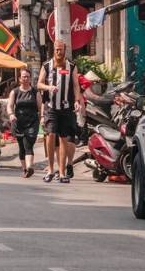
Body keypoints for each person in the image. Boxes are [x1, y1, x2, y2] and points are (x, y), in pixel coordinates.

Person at [37, 40, 86, 184]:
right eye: (57, 50)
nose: (59, 52)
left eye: (61, 50)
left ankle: (63, 172)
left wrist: (77, 101)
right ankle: (51, 169)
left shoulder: (72, 66)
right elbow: (39, 83)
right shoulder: (47, 65)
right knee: (51, 135)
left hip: (66, 108)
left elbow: (76, 86)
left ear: (65, 51)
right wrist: (48, 88)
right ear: (54, 50)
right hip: (51, 107)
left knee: (64, 139)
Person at [7, 68, 42, 178]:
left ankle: (30, 167)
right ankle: (25, 169)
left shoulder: (35, 92)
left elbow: (40, 107)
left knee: (28, 143)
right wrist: (11, 114)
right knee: (21, 146)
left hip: (32, 122)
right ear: (19, 79)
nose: (25, 78)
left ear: (30, 78)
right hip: (18, 122)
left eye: (27, 76)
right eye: (23, 77)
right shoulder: (15, 92)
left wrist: (43, 118)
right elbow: (9, 105)